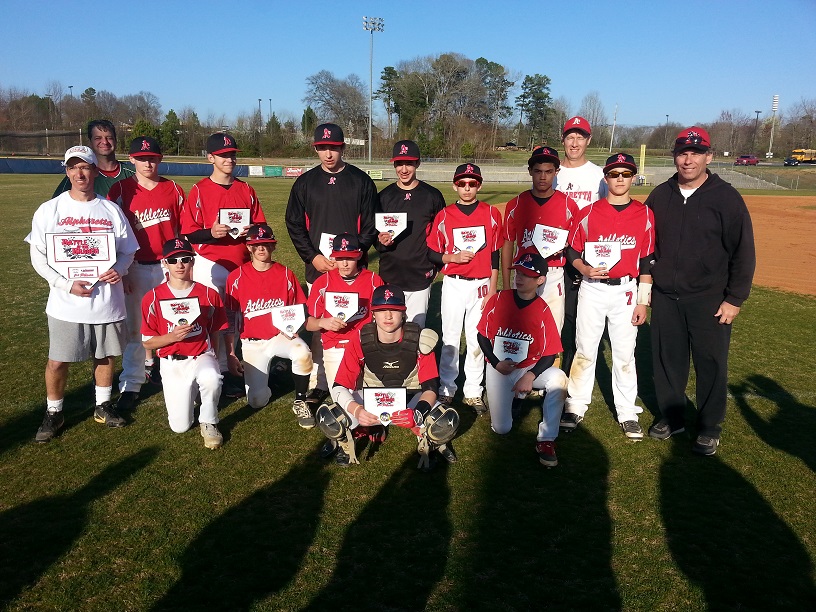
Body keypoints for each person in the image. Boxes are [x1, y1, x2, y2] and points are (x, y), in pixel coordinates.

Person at [645, 127, 755, 455]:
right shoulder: (661, 195)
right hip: (666, 296)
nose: (688, 159)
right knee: (668, 361)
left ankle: (708, 426)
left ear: (708, 156)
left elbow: (743, 251)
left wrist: (735, 298)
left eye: (695, 153)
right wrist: (646, 284)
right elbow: (646, 244)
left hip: (709, 298)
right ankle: (673, 417)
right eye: (682, 153)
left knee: (711, 363)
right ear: (674, 156)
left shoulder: (726, 198)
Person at [26, 145, 138, 442]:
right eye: (73, 167)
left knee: (106, 355)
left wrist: (121, 269)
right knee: (58, 360)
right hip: (66, 303)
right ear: (66, 171)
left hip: (106, 301)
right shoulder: (50, 210)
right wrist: (65, 284)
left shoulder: (110, 209)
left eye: (85, 167)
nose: (80, 173)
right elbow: (38, 257)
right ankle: (54, 411)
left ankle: (103, 405)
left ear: (95, 170)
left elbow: (129, 251)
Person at [560, 153, 655, 439]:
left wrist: (643, 299)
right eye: (614, 174)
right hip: (593, 288)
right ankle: (575, 404)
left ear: (633, 178)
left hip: (626, 290)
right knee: (585, 348)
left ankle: (626, 410)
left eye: (626, 174)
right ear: (606, 178)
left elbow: (647, 261)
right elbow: (571, 251)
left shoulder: (645, 214)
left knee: (625, 353)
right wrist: (585, 268)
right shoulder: (588, 212)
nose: (620, 179)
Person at [285, 123, 379, 408]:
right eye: (323, 148)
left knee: (356, 322)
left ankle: (357, 375)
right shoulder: (305, 182)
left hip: (352, 269)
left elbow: (372, 224)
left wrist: (352, 256)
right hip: (320, 267)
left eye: (334, 148)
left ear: (343, 148)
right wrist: (312, 256)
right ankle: (319, 381)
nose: (328, 153)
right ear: (316, 148)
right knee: (320, 327)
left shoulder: (361, 181)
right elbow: (294, 224)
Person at [315, 284, 459, 470]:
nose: (388, 316)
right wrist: (358, 410)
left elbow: (430, 388)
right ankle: (345, 440)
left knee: (444, 419)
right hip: (371, 399)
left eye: (394, 310)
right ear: (373, 313)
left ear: (404, 312)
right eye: (382, 310)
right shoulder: (360, 338)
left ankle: (430, 441)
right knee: (331, 415)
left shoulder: (421, 339)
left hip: (410, 398)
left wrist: (417, 413)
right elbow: (339, 385)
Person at [181, 132, 266, 395]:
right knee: (212, 321)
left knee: (235, 320)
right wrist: (211, 232)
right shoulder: (199, 190)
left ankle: (230, 368)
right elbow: (188, 232)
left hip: (240, 263)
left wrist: (252, 230)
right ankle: (212, 369)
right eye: (223, 155)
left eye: (232, 154)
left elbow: (262, 226)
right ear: (211, 158)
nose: (229, 159)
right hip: (209, 263)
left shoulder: (246, 189)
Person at [108, 136, 184, 412]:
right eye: (141, 158)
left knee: (175, 322)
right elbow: (112, 235)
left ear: (160, 159)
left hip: (168, 266)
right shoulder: (119, 189)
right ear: (131, 160)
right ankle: (131, 384)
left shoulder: (173, 189)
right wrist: (121, 269)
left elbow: (182, 231)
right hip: (135, 267)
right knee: (136, 329)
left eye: (152, 157)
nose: (147, 162)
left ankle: (175, 376)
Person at [477, 253, 568, 467]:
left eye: (527, 274)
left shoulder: (543, 309)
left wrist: (530, 375)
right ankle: (515, 399)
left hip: (528, 366)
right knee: (502, 428)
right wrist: (495, 362)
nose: (519, 277)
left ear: (540, 280)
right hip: (498, 368)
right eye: (518, 272)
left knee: (559, 379)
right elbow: (482, 335)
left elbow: (550, 352)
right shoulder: (499, 299)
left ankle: (546, 439)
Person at [427, 163, 503, 413]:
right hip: (454, 284)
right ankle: (447, 388)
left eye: (472, 183)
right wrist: (452, 258)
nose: (467, 187)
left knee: (476, 339)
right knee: (450, 337)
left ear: (479, 185)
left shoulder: (491, 213)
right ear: (454, 185)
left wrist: (493, 288)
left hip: (481, 285)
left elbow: (494, 255)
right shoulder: (445, 215)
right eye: (462, 183)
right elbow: (433, 253)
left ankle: (473, 390)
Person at [224, 223, 314, 427]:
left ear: (273, 246)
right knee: (257, 401)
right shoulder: (236, 278)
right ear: (248, 247)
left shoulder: (285, 274)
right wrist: (230, 352)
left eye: (266, 244)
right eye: (257, 244)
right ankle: (270, 376)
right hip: (252, 342)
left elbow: (299, 308)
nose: (262, 248)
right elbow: (230, 318)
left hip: (279, 336)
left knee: (303, 352)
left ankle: (300, 400)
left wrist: (293, 329)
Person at [141, 238, 228, 449]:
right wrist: (172, 337)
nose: (180, 265)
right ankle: (193, 394)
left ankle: (209, 421)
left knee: (212, 378)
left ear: (193, 261)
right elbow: (147, 343)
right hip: (172, 362)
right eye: (173, 260)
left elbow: (215, 330)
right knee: (180, 426)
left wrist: (214, 357)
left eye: (185, 259)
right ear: (165, 263)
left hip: (200, 355)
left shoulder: (209, 294)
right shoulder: (152, 297)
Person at [501, 146, 580, 332]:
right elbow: (507, 244)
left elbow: (575, 244)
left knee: (551, 329)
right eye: (538, 171)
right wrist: (506, 286)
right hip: (523, 272)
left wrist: (567, 246)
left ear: (556, 172)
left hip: (553, 272)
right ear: (530, 172)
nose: (543, 177)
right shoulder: (516, 204)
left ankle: (551, 362)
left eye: (548, 171)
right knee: (520, 329)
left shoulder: (569, 205)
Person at [554, 116, 608, 377]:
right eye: (570, 137)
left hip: (583, 258)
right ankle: (545, 373)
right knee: (551, 317)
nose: (574, 143)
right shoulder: (553, 172)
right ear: (563, 140)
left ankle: (569, 375)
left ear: (588, 140)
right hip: (552, 256)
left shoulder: (598, 175)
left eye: (580, 137)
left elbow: (607, 216)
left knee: (577, 321)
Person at [375, 140, 446, 327]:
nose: (404, 169)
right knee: (389, 329)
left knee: (416, 329)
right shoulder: (384, 196)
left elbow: (441, 234)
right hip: (390, 273)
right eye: (399, 163)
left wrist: (437, 265)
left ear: (418, 163)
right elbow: (374, 235)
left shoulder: (432, 195)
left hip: (419, 273)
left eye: (409, 163)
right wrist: (381, 241)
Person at [305, 233, 384, 398]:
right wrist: (323, 322)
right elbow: (307, 322)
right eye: (340, 258)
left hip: (366, 345)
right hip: (336, 347)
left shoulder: (373, 281)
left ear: (360, 255)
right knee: (342, 399)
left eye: (350, 257)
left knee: (370, 400)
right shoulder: (323, 282)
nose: (345, 263)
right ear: (333, 257)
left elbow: (383, 316)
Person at [52, 119, 135, 198]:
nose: (105, 142)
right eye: (98, 138)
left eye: (109, 138)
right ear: (90, 142)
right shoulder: (78, 177)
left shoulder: (134, 174)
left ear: (115, 141)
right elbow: (57, 204)